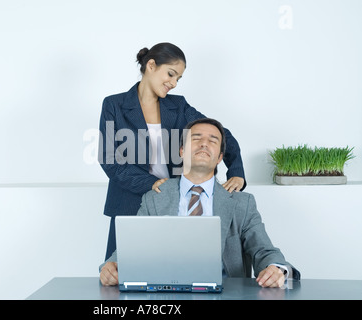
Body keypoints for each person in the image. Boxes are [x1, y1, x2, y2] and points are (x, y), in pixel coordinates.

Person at [100, 118, 301, 288]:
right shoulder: (154, 197)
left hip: (224, 293)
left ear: (220, 157)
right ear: (181, 151)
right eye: (196, 138)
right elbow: (132, 247)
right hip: (165, 294)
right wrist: (112, 266)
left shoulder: (242, 203)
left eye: (213, 140)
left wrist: (277, 269)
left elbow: (263, 250)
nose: (204, 143)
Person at [98, 42, 246, 261]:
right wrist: (151, 183)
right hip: (128, 203)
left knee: (172, 270)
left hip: (171, 203)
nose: (174, 83)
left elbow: (219, 133)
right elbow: (110, 160)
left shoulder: (178, 106)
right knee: (119, 274)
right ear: (151, 65)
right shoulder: (114, 104)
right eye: (171, 74)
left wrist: (237, 171)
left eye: (178, 78)